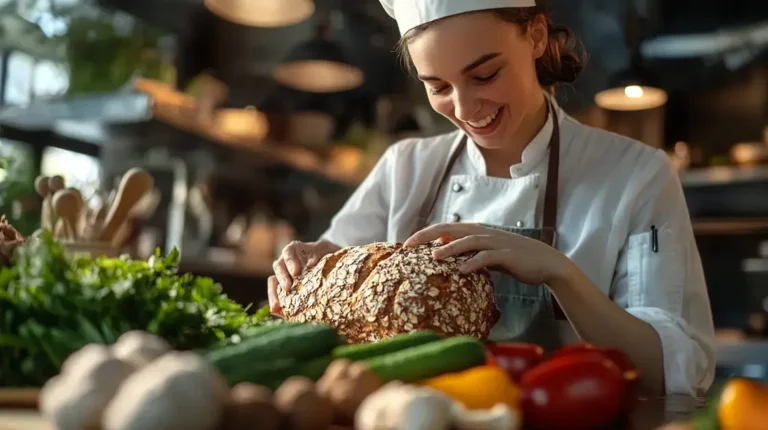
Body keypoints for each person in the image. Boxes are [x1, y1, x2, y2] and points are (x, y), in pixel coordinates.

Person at [268, 0, 715, 397]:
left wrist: (560, 273)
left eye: (485, 75)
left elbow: (674, 372)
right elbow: (323, 316)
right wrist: (313, 269)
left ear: (536, 36)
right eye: (438, 87)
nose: (465, 110)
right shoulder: (404, 167)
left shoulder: (636, 174)